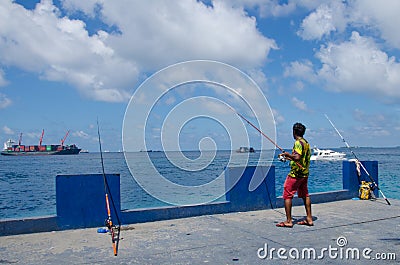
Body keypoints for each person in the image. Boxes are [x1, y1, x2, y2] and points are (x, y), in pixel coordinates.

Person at [276, 122, 312, 228]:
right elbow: (299, 158)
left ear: (294, 132)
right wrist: (288, 157)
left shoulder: (297, 143)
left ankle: (288, 221)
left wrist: (287, 154)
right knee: (305, 195)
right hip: (304, 173)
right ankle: (309, 218)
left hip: (295, 174)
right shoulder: (306, 143)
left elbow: (296, 157)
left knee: (287, 195)